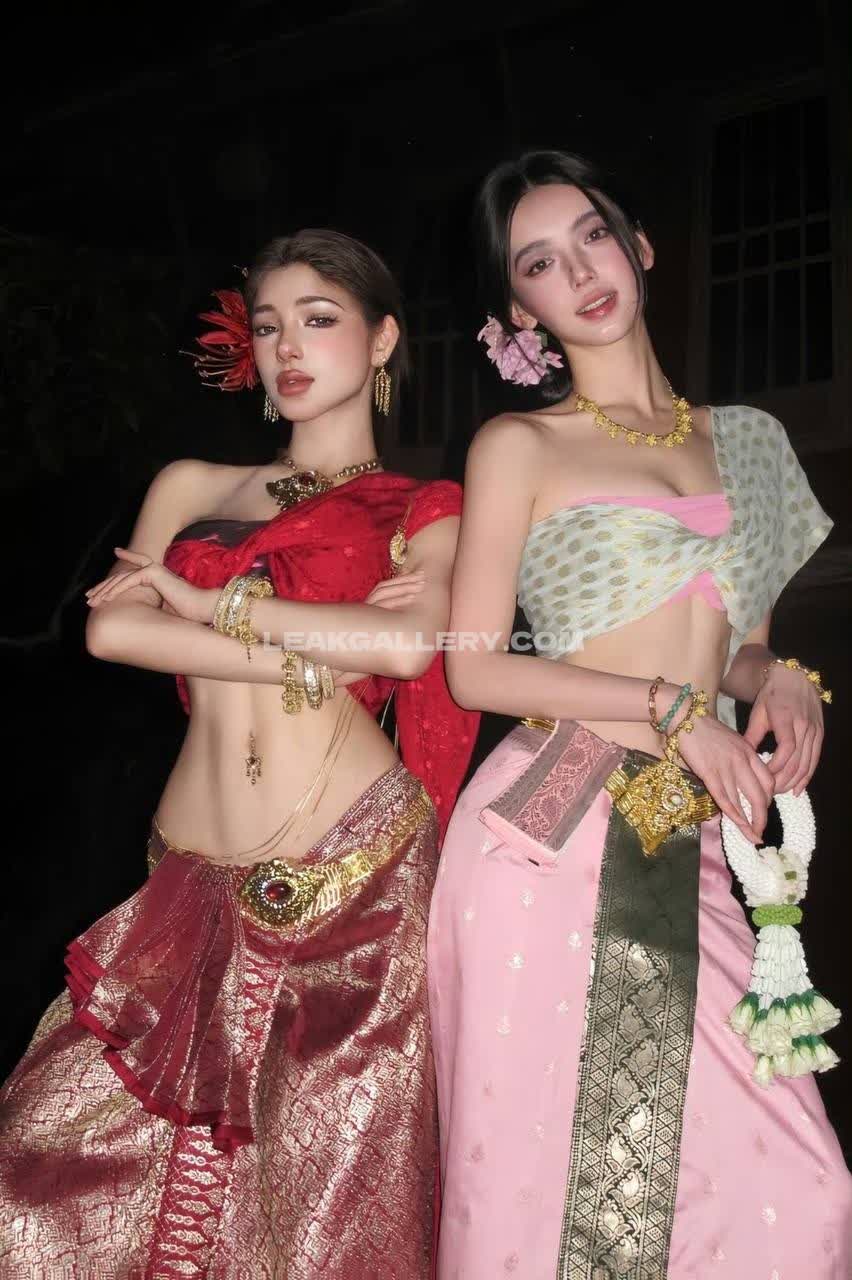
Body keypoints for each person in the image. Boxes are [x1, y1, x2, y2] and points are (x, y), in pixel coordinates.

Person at [0, 228, 478, 1278]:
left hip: (356, 874)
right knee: (37, 1174)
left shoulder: (423, 508)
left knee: (319, 1227)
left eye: (319, 319)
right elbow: (112, 631)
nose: (287, 347)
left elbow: (408, 646)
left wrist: (203, 603)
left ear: (383, 339)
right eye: (268, 326)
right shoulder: (193, 483)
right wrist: (320, 642)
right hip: (186, 879)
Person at [427, 150, 851, 1278]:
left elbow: (738, 642)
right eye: (539, 263)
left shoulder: (749, 441)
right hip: (549, 826)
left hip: (688, 826)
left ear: (641, 246)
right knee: (554, 1209)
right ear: (521, 310)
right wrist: (669, 708)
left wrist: (781, 676)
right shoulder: (519, 446)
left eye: (594, 236)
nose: (580, 272)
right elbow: (475, 671)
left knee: (798, 1187)